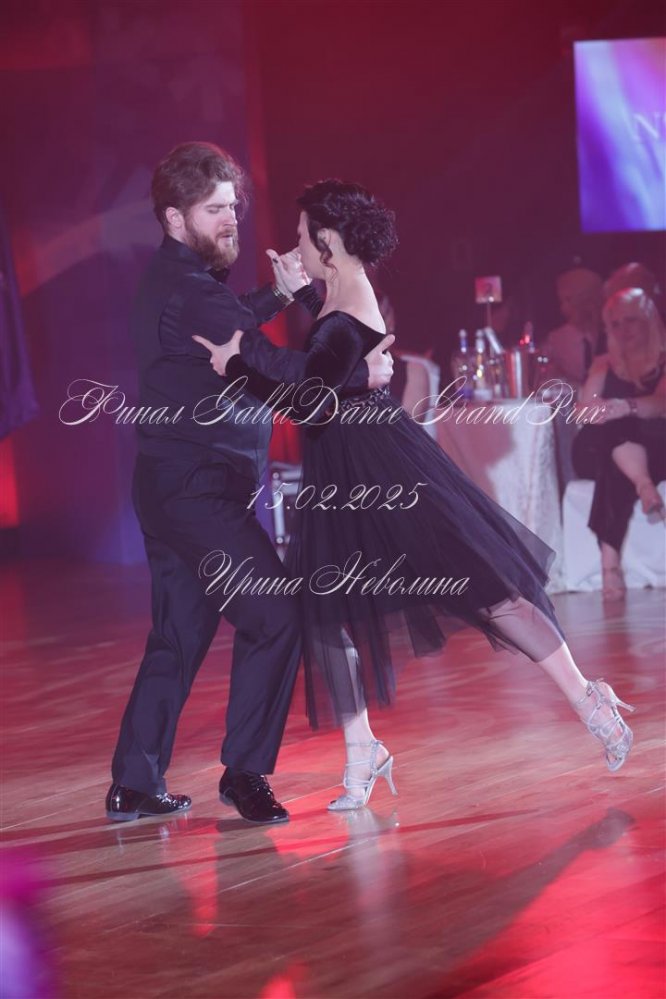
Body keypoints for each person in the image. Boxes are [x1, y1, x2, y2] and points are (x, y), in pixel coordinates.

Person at [195, 180, 635, 811]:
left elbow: (311, 398)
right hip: (341, 467)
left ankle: (589, 698)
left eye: (302, 236)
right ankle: (362, 753)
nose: (295, 246)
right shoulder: (338, 292)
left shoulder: (349, 299)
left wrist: (239, 366)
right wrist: (302, 308)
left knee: (488, 588)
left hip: (381, 465)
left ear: (327, 239)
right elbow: (331, 366)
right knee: (327, 613)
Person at [106, 146, 394, 824]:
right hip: (198, 492)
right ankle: (244, 772)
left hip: (172, 485)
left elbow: (228, 320)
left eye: (232, 206)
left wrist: (278, 294)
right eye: (214, 210)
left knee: (179, 633)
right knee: (277, 614)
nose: (230, 220)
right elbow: (266, 359)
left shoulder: (176, 281)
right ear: (175, 218)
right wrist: (361, 374)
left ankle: (135, 782)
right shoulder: (191, 291)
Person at [572, 288, 666, 599]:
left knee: (619, 442)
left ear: (648, 320)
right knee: (612, 432)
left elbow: (661, 404)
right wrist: (602, 411)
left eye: (631, 320)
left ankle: (609, 563)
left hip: (654, 448)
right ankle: (643, 484)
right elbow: (583, 412)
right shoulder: (603, 364)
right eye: (615, 324)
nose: (623, 330)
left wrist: (624, 407)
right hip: (597, 447)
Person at [544, 268, 605, 388]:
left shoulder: (608, 335)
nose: (564, 308)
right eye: (562, 301)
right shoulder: (556, 340)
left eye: (569, 299)